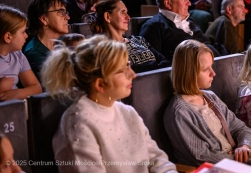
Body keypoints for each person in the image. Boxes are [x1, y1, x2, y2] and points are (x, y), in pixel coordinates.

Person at [42, 35, 177, 173]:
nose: (133, 74)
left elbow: (156, 159)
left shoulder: (128, 112)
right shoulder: (77, 124)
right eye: (121, 71)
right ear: (100, 84)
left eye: (128, 65)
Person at [164, 39, 251, 167]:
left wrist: (244, 146)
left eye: (212, 66)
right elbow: (201, 157)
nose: (213, 73)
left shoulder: (210, 97)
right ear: (188, 73)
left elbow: (241, 128)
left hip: (235, 162)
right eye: (206, 69)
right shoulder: (180, 113)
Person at [140, 0, 219, 61]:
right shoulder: (153, 27)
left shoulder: (190, 21)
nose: (189, 3)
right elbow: (155, 65)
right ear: (168, 3)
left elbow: (207, 45)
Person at [89, 0, 170, 73]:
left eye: (127, 13)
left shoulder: (139, 40)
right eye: (122, 12)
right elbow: (122, 72)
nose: (128, 17)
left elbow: (165, 62)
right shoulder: (104, 50)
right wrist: (154, 65)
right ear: (107, 17)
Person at [24, 0, 70, 82]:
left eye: (66, 12)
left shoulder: (65, 42)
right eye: (61, 12)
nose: (67, 17)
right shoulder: (34, 53)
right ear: (44, 19)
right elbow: (54, 85)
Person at [0, 5, 41, 101]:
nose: (26, 36)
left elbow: (37, 88)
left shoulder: (18, 55)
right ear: (8, 37)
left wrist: (17, 93)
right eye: (23, 32)